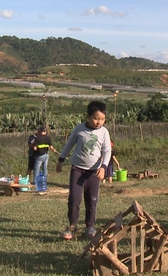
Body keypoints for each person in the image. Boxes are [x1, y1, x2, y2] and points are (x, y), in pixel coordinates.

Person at [56, 101, 112, 240]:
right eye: (95, 118)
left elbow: (107, 151)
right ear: (88, 116)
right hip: (77, 170)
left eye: (102, 119)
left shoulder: (104, 132)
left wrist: (104, 167)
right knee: (74, 199)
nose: (99, 122)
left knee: (92, 200)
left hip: (94, 172)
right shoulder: (79, 129)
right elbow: (69, 144)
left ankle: (89, 227)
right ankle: (72, 227)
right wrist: (61, 160)